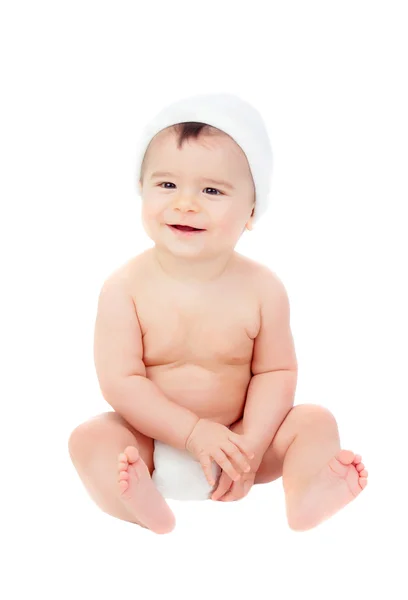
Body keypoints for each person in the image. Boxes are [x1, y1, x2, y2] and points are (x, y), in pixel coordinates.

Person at [68, 93, 368, 535]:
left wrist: (250, 445)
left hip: (241, 442)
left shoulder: (264, 288)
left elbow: (276, 372)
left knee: (315, 420)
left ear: (251, 210)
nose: (186, 203)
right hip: (149, 442)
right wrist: (190, 433)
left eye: (211, 190)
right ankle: (138, 501)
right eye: (167, 185)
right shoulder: (124, 288)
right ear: (142, 190)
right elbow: (121, 382)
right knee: (90, 439)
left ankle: (306, 493)